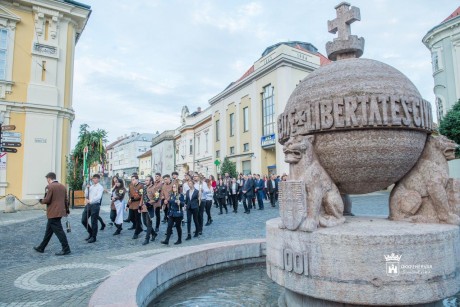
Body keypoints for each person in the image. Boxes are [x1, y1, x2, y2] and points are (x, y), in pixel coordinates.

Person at [34, 172, 71, 255]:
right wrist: (67, 210)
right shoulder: (62, 186)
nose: (47, 180)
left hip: (53, 213)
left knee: (59, 231)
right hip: (60, 212)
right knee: (49, 231)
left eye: (47, 179)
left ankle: (66, 248)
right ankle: (41, 247)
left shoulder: (49, 187)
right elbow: (66, 200)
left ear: (49, 179)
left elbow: (47, 200)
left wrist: (40, 200)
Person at [82, 174, 104, 243]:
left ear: (98, 179)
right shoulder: (91, 187)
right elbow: (85, 195)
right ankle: (91, 232)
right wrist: (87, 188)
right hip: (88, 205)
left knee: (93, 221)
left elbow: (98, 197)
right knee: (83, 220)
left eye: (95, 178)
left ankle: (94, 236)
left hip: (95, 205)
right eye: (93, 178)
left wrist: (90, 201)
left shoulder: (100, 187)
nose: (93, 179)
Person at [140, 175, 158, 245]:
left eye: (147, 180)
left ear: (151, 181)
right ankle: (153, 233)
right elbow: (142, 197)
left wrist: (149, 202)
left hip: (150, 208)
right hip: (143, 208)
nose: (146, 181)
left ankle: (147, 239)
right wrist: (139, 206)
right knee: (144, 223)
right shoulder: (144, 188)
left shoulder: (154, 188)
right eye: (145, 180)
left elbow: (156, 198)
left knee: (149, 223)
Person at [127, 174, 144, 239]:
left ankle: (136, 232)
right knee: (130, 217)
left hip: (137, 204)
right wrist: (128, 204)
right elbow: (129, 194)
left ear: (137, 179)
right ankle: (139, 227)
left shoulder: (141, 186)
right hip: (131, 204)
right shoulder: (130, 185)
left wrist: (134, 199)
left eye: (133, 180)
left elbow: (140, 195)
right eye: (131, 180)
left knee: (137, 219)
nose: (132, 181)